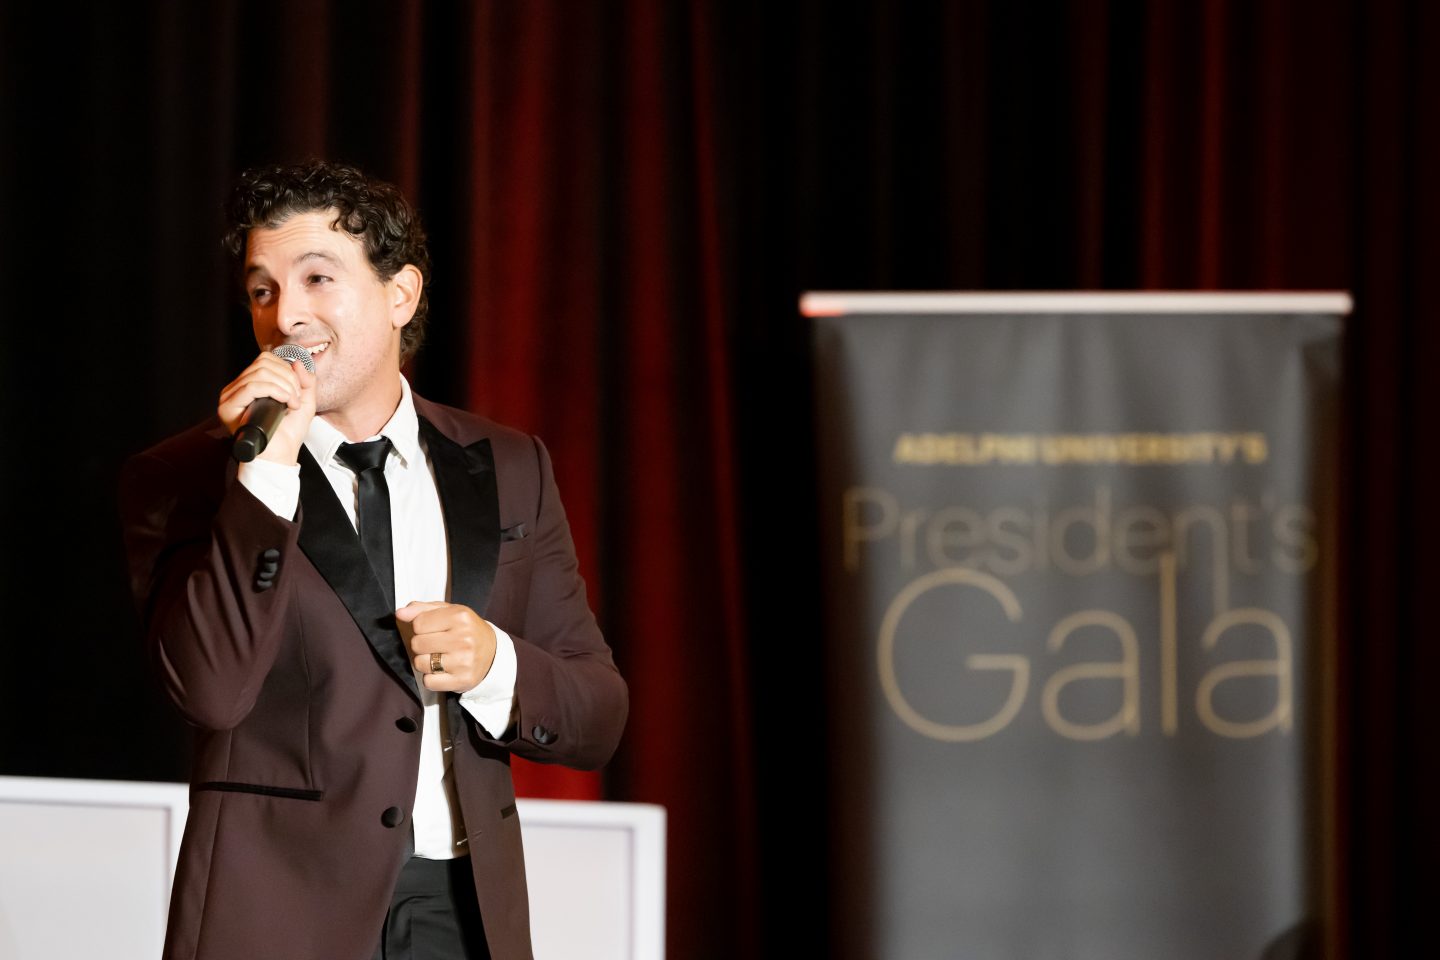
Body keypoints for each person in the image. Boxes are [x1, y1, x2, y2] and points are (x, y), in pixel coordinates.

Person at [119, 159, 628, 960]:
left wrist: (495, 663)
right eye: (262, 289)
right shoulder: (185, 477)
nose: (286, 315)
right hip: (278, 915)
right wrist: (264, 475)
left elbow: (598, 716)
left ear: (401, 296)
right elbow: (210, 691)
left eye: (318, 279)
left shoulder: (508, 463)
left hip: (461, 914)